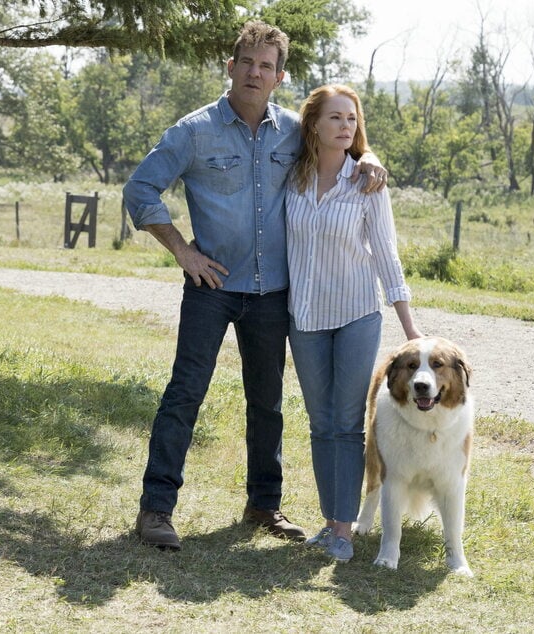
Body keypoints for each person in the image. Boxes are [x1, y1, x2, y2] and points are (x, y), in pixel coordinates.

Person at [122, 21, 389, 551]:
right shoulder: (194, 131)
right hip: (212, 285)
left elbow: (342, 140)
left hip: (274, 293)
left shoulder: (294, 130)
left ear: (278, 76)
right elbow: (140, 189)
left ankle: (264, 504)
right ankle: (156, 509)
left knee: (266, 402)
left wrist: (370, 157)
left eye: (266, 65)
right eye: (246, 61)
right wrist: (183, 250)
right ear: (231, 66)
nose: (254, 72)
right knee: (185, 393)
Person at [285, 84, 422, 563]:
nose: (346, 126)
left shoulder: (367, 182)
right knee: (321, 424)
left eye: (351, 119)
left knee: (346, 424)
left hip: (356, 314)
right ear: (314, 125)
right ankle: (330, 522)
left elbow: (387, 256)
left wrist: (410, 330)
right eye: (336, 118)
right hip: (304, 318)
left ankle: (343, 531)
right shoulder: (291, 177)